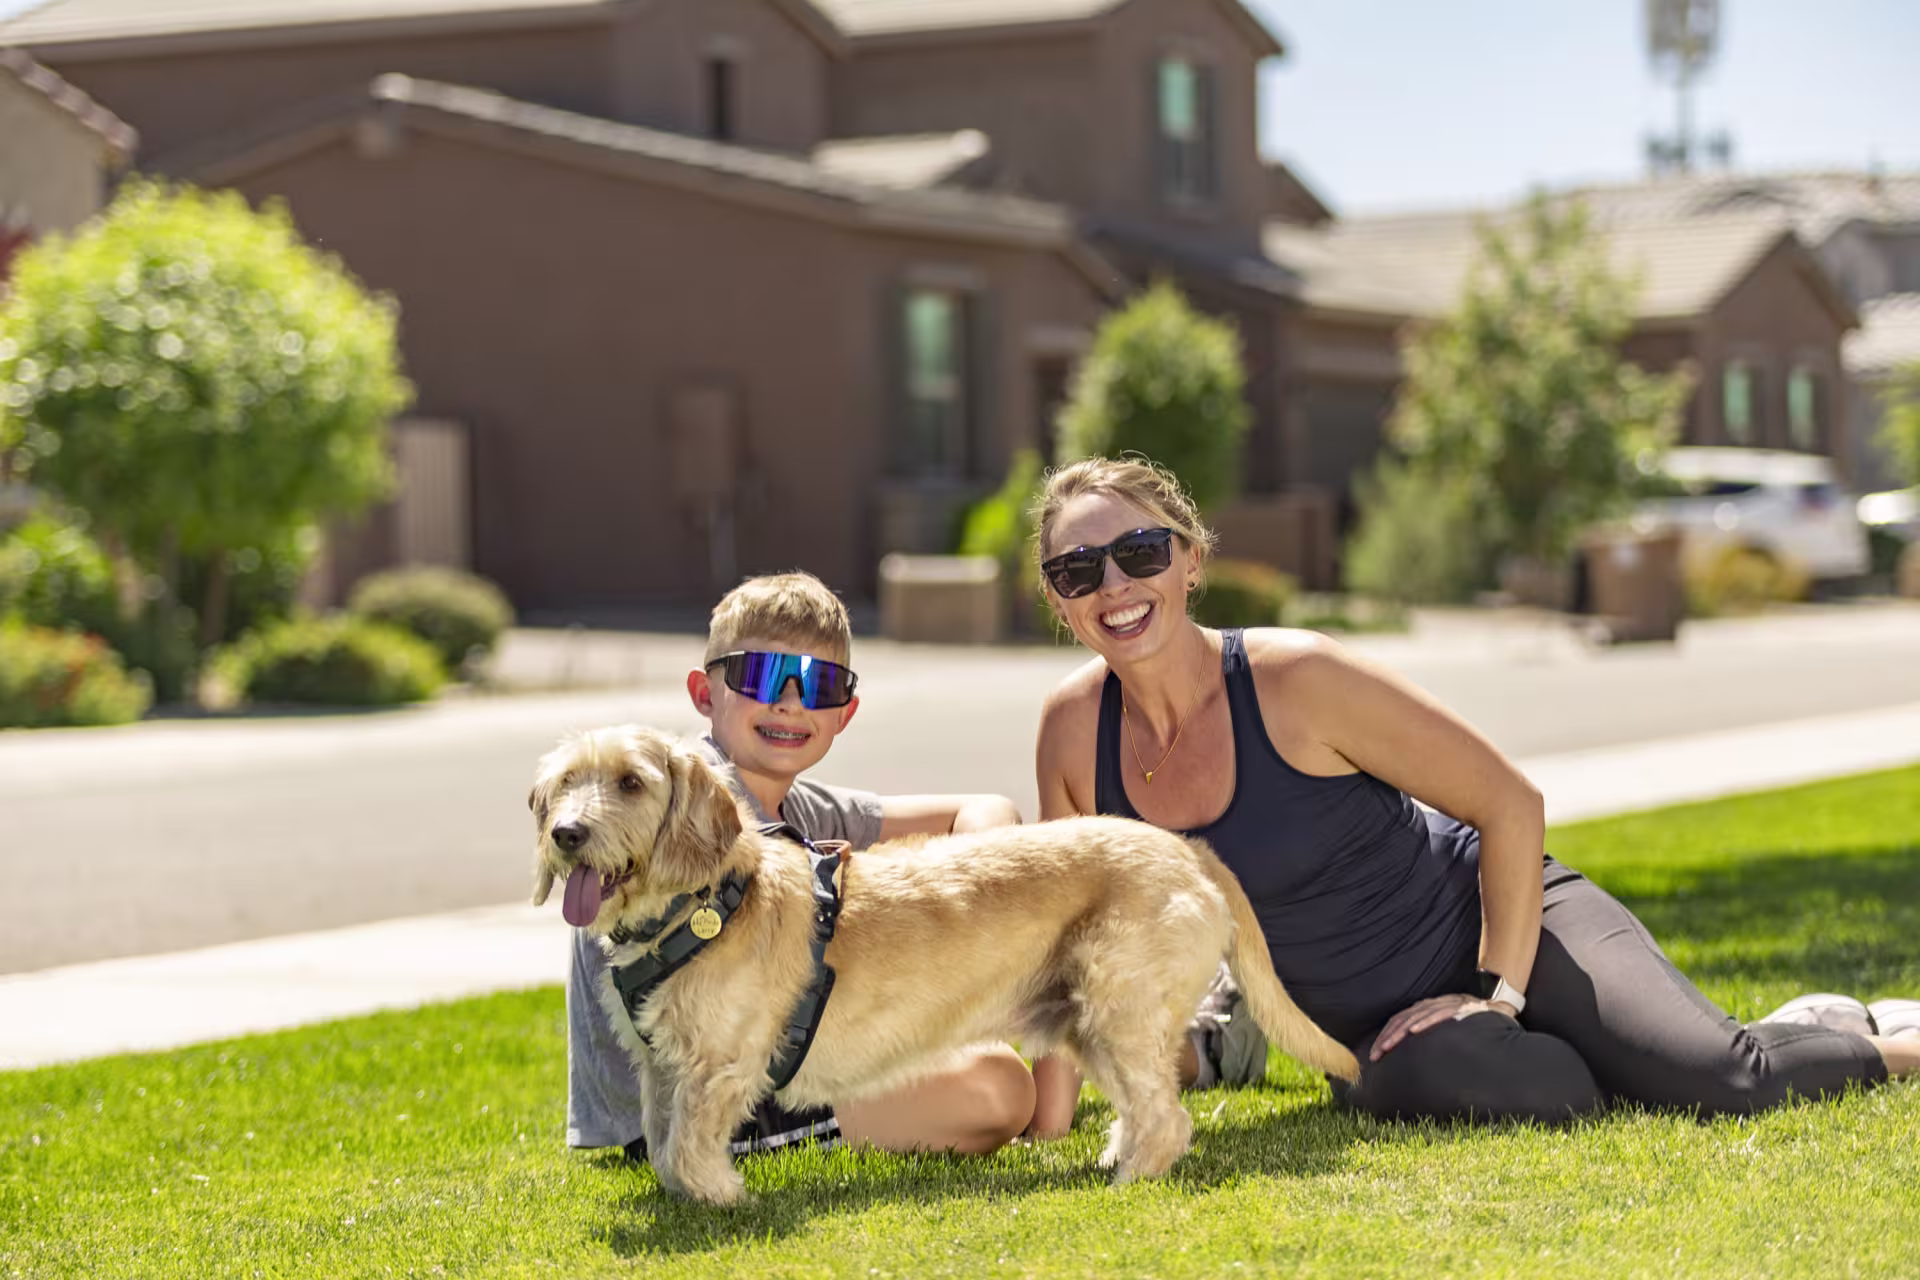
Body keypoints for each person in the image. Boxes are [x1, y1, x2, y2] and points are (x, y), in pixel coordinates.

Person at [1026, 456, 1919, 1130]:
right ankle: (1652, 1048)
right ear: (1061, 604)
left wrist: (1496, 991)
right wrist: (1049, 1118)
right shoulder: (1073, 736)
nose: (1114, 586)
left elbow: (1509, 802)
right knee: (1541, 1094)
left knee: (1724, 1083)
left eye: (1139, 551)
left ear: (1189, 561)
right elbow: (1074, 950)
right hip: (1380, 1040)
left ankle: (1866, 1039)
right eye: (1078, 572)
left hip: (1504, 924)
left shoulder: (1296, 677)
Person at [566, 571, 1038, 1160]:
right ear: (705, 692)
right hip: (689, 1103)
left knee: (986, 1063)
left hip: (769, 1066)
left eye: (820, 685)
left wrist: (980, 885)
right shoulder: (683, 803)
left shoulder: (802, 804)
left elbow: (984, 808)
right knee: (997, 1088)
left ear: (845, 711)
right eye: (762, 676)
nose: (790, 703)